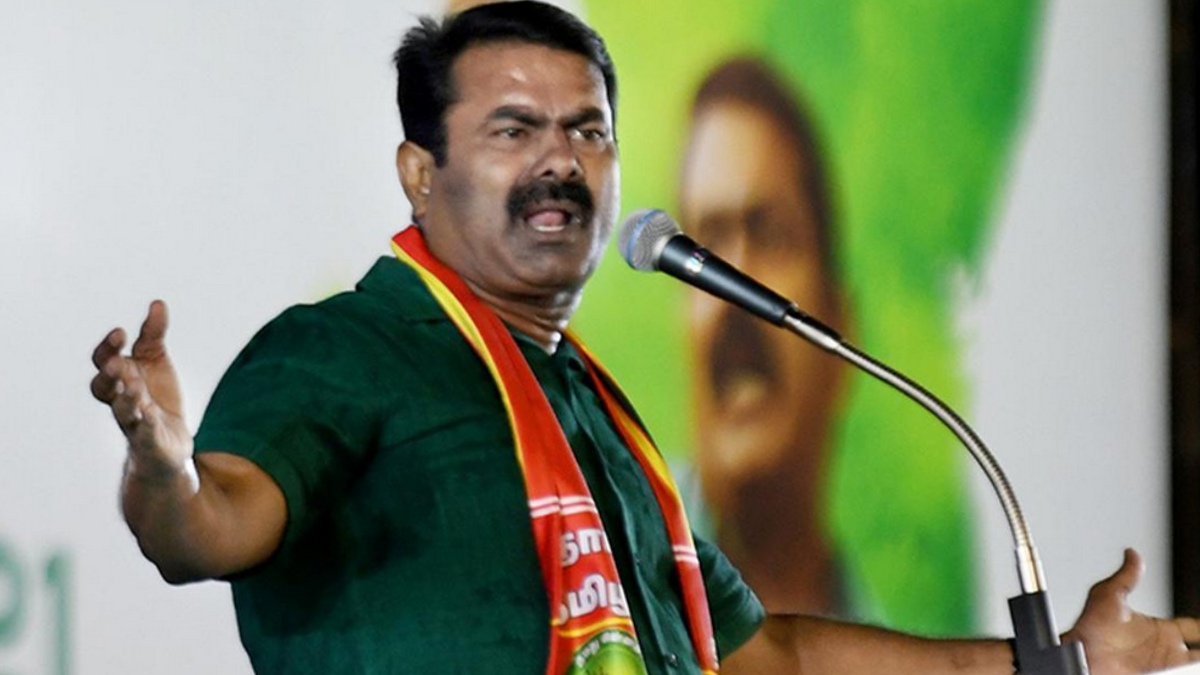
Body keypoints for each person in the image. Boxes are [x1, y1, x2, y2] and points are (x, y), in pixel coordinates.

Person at [90, 2, 1199, 674]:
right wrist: (163, 470)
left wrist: (1054, 661)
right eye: (514, 129)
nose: (560, 161)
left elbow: (765, 656)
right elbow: (205, 532)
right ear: (421, 173)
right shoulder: (345, 350)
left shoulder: (596, 415)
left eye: (588, 131)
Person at [679, 57, 850, 618]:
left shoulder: (892, 640)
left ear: (840, 326)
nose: (733, 286)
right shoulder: (607, 558)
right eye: (706, 247)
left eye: (771, 236)